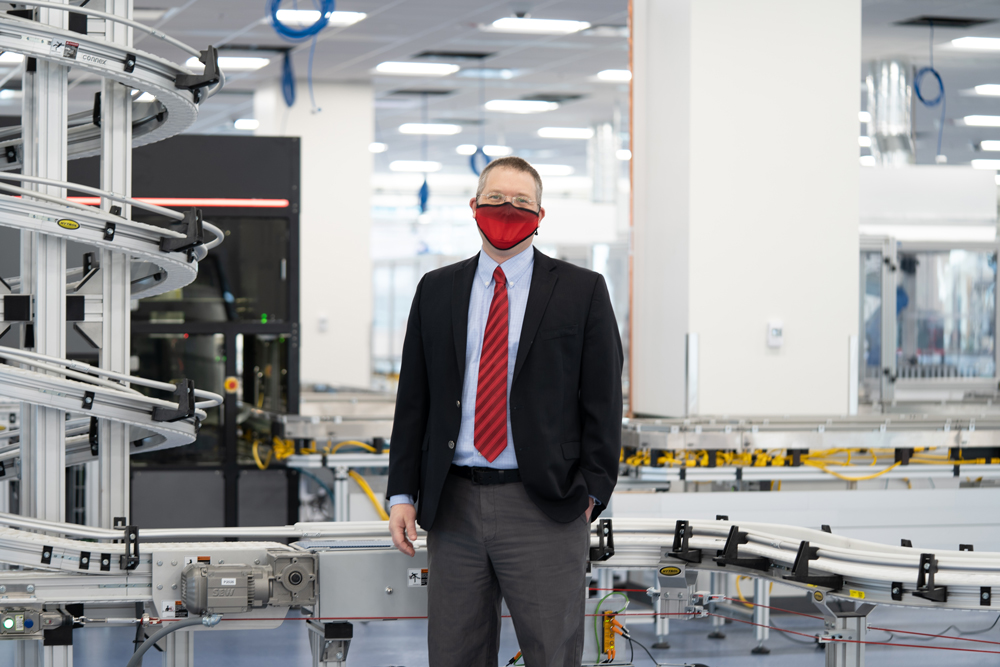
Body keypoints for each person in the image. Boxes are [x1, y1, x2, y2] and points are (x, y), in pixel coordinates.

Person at [386, 156, 623, 666]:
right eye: (495, 200)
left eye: (520, 203)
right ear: (474, 207)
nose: (507, 210)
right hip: (453, 504)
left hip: (546, 506)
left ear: (540, 215)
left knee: (552, 654)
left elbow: (604, 401)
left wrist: (593, 491)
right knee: (455, 653)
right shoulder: (436, 289)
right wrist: (403, 492)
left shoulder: (581, 291)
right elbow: (414, 401)